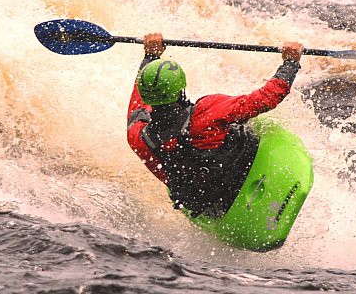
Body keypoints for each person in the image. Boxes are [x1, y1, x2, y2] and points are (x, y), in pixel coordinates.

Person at [127, 32, 304, 218]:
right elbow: (267, 98)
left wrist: (150, 57)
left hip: (206, 204)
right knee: (248, 125)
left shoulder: (138, 136)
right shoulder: (208, 112)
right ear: (181, 85)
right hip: (237, 181)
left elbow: (138, 104)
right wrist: (291, 63)